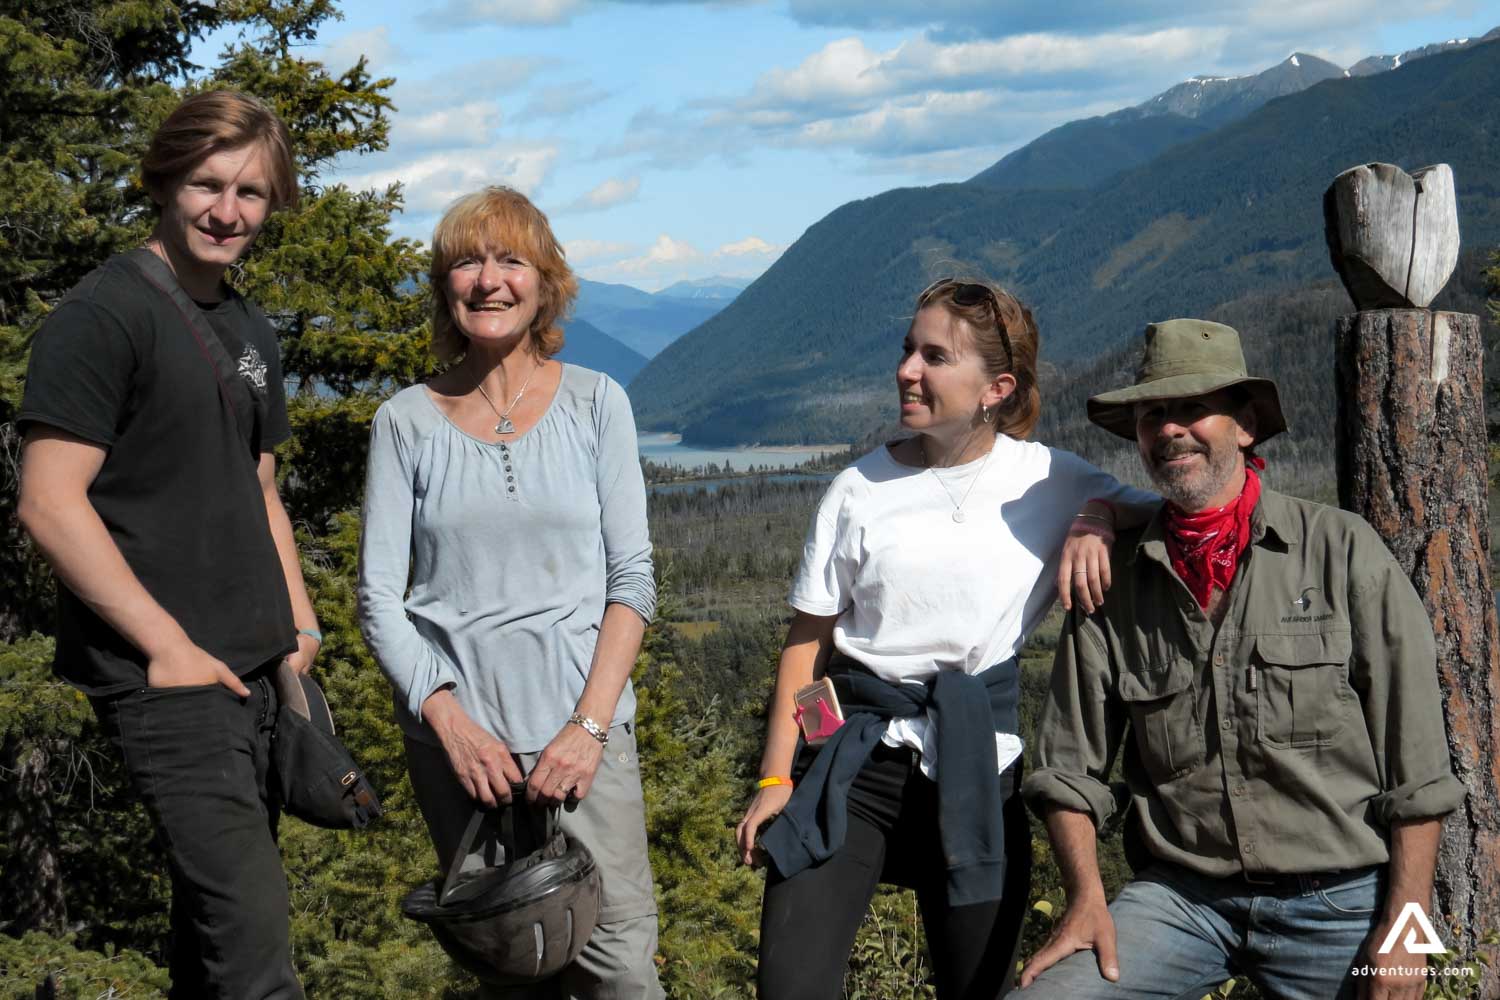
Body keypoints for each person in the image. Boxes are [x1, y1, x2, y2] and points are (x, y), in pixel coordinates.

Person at [735, 277, 1158, 999]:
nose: (907, 370)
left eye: (934, 357)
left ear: (996, 387)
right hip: (852, 764)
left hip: (979, 772)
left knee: (978, 988)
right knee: (789, 986)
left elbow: (1168, 516)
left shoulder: (1051, 479)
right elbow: (808, 646)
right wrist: (779, 777)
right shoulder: (856, 490)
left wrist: (1097, 516)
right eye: (908, 350)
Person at [1018, 319, 1465, 999]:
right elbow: (1066, 772)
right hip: (1180, 899)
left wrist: (1407, 927)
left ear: (1246, 426)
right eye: (1152, 415)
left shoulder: (1343, 554)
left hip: (1340, 899)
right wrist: (1086, 899)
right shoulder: (1114, 580)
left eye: (1193, 409)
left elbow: (1419, 771)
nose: (1170, 430)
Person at [16, 90, 318, 998]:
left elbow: (259, 486)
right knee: (254, 946)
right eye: (208, 184)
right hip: (170, 682)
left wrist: (297, 629)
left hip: (258, 670)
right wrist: (167, 647)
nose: (229, 212)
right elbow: (48, 501)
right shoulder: (103, 317)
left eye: (253, 193)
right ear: (165, 180)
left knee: (213, 942)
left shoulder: (247, 324)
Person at [357, 186, 662, 999]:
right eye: (466, 260)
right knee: (511, 969)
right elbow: (379, 601)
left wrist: (589, 728)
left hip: (585, 750)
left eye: (510, 260)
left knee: (621, 969)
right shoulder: (405, 423)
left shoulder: (599, 403)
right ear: (443, 285)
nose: (488, 280)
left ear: (545, 281)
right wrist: (451, 725)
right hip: (465, 763)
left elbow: (631, 579)